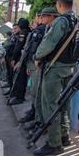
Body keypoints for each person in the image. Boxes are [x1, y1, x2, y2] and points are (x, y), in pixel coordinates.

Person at [33, 0, 79, 156]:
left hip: (55, 68)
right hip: (70, 67)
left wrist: (37, 56)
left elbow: (48, 44)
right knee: (64, 104)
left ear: (59, 5)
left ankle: (54, 143)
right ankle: (64, 136)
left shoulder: (61, 21)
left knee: (51, 105)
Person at [25, 7, 58, 139]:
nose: (40, 18)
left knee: (43, 98)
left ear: (52, 17)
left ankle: (42, 124)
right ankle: (38, 121)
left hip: (46, 66)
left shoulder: (51, 29)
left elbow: (45, 47)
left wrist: (37, 58)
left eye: (43, 16)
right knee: (38, 95)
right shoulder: (45, 29)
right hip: (42, 65)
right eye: (40, 16)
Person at [19, 10, 49, 123]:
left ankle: (37, 117)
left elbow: (40, 49)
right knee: (33, 91)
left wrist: (35, 62)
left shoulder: (43, 30)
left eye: (38, 16)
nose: (37, 19)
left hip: (38, 64)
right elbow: (30, 49)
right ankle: (34, 112)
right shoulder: (38, 30)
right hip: (33, 63)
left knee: (36, 92)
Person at [8, 18, 31, 105]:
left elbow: (18, 47)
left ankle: (19, 97)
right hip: (25, 58)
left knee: (19, 78)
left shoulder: (22, 33)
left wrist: (14, 58)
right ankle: (17, 95)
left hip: (20, 59)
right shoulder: (29, 32)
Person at [3, 24, 18, 91]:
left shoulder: (17, 37)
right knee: (9, 72)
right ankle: (9, 85)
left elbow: (10, 46)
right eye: (13, 29)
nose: (13, 30)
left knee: (12, 74)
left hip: (12, 57)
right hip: (8, 56)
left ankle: (12, 89)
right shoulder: (13, 36)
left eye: (15, 28)